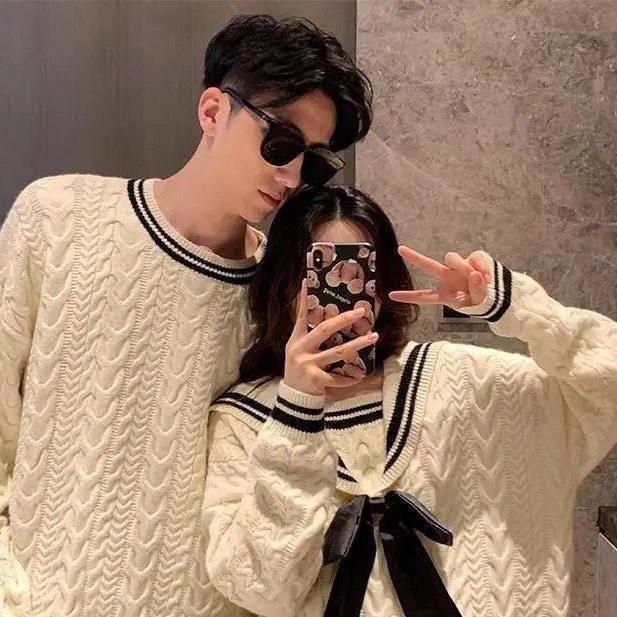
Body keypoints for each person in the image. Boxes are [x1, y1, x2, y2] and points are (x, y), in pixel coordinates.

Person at [0, 14, 372, 616]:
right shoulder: (58, 218)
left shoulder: (279, 298)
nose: (291, 175)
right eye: (281, 142)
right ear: (212, 111)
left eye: (314, 162)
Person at [202, 185, 617, 617]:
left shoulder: (470, 383)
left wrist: (513, 306)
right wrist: (296, 413)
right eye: (322, 272)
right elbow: (260, 590)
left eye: (360, 271)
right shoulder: (245, 420)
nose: (343, 294)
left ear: (383, 282)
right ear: (283, 282)